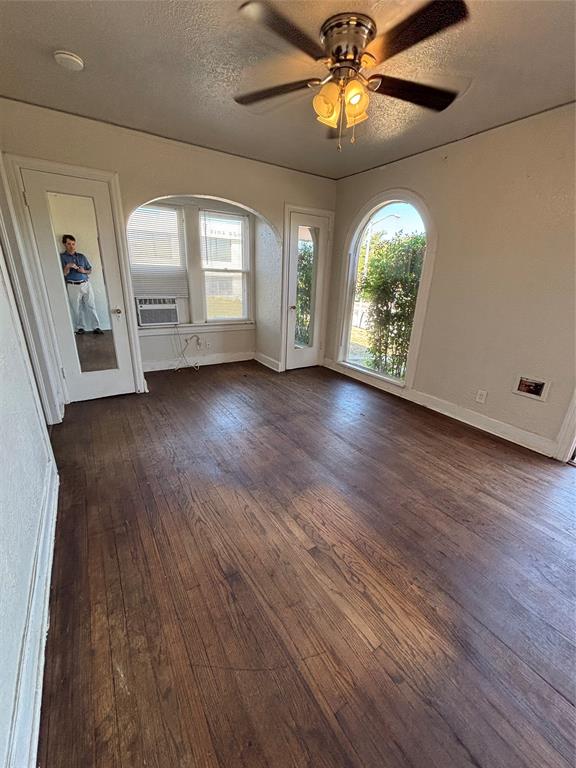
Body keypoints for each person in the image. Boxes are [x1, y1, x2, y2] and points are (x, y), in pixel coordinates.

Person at [60, 234, 103, 334]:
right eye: (69, 244)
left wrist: (84, 271)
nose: (71, 246)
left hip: (86, 284)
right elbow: (63, 274)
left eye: (73, 244)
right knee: (76, 307)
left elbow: (90, 270)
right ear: (64, 244)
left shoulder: (81, 256)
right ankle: (80, 328)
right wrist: (68, 266)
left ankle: (96, 327)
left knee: (91, 305)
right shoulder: (62, 257)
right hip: (72, 285)